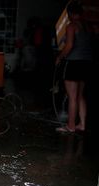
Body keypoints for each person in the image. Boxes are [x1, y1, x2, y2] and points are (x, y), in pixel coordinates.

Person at [55, 0, 93, 133]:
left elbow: (69, 46)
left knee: (72, 96)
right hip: (86, 63)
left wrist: (59, 57)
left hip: (73, 63)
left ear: (70, 13)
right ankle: (82, 124)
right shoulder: (88, 26)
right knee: (80, 96)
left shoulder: (71, 26)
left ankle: (70, 126)